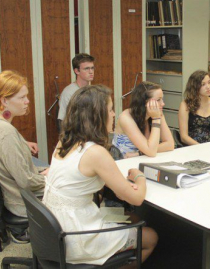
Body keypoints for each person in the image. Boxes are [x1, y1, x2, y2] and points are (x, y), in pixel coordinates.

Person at [44, 85, 158, 265]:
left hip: (52, 230)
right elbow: (136, 199)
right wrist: (139, 177)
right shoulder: (96, 153)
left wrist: (119, 185)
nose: (114, 115)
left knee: (134, 218)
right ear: (97, 116)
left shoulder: (64, 141)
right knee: (151, 237)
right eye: (111, 110)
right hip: (77, 238)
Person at [0, 70, 48, 243]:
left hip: (15, 196)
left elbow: (19, 169)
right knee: (81, 186)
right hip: (22, 203)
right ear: (4, 101)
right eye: (22, 97)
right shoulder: (4, 132)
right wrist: (51, 177)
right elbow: (25, 181)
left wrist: (43, 171)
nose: (27, 101)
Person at [112, 81, 174, 158]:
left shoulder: (157, 112)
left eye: (162, 99)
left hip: (142, 159)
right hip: (124, 163)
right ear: (144, 102)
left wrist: (140, 153)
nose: (163, 103)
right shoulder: (126, 118)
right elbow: (151, 151)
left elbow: (170, 144)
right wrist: (156, 119)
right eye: (158, 100)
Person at [178, 70, 210, 145]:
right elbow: (183, 137)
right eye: (203, 84)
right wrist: (201, 148)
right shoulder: (185, 105)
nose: (208, 87)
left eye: (209, 82)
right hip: (192, 147)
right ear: (194, 87)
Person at [58, 53, 95, 126]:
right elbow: (62, 121)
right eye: (86, 69)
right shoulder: (69, 92)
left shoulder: (93, 90)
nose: (91, 72)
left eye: (92, 68)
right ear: (77, 71)